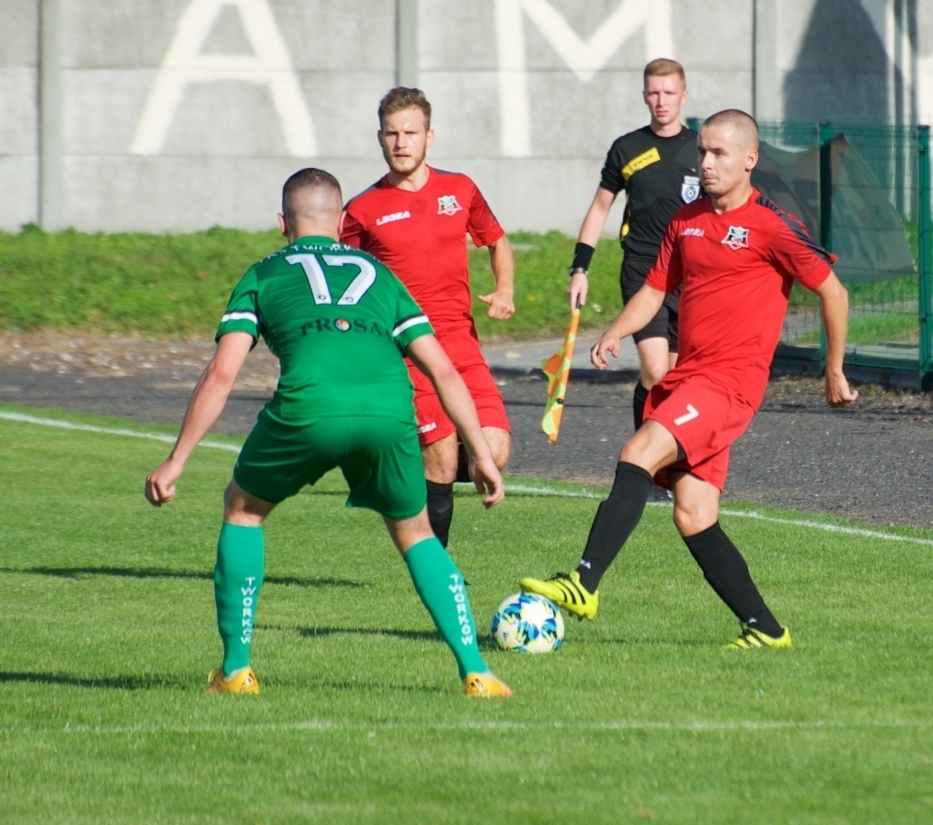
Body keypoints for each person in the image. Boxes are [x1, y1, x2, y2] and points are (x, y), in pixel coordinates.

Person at [144, 167, 511, 699]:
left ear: (282, 223)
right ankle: (477, 672)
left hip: (308, 408)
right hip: (388, 410)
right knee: (416, 532)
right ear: (342, 222)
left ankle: (235, 672)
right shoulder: (381, 275)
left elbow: (223, 373)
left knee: (243, 510)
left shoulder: (263, 274)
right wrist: (479, 453)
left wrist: (176, 460)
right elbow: (445, 371)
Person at [522, 109, 859, 650]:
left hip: (729, 385)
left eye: (719, 154)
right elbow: (656, 291)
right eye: (702, 152)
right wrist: (616, 330)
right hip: (688, 377)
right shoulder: (687, 219)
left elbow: (833, 291)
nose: (706, 162)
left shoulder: (771, 225)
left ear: (750, 160)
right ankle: (766, 629)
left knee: (637, 451)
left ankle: (583, 582)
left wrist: (834, 369)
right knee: (693, 514)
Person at [342, 88, 515, 549]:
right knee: (440, 457)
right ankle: (436, 570)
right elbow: (343, 283)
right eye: (392, 134)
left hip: (461, 343)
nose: (401, 142)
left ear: (429, 137)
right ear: (380, 138)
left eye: (410, 133)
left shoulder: (459, 190)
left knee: (494, 452)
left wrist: (505, 288)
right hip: (409, 349)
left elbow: (497, 241)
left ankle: (400, 464)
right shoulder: (361, 210)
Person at [569, 59, 696, 439]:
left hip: (688, 272)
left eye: (669, 92)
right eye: (654, 92)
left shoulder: (701, 149)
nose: (662, 101)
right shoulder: (627, 148)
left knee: (674, 378)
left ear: (683, 96)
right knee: (656, 371)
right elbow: (600, 208)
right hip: (643, 269)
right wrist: (580, 268)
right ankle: (641, 460)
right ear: (644, 96)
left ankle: (664, 459)